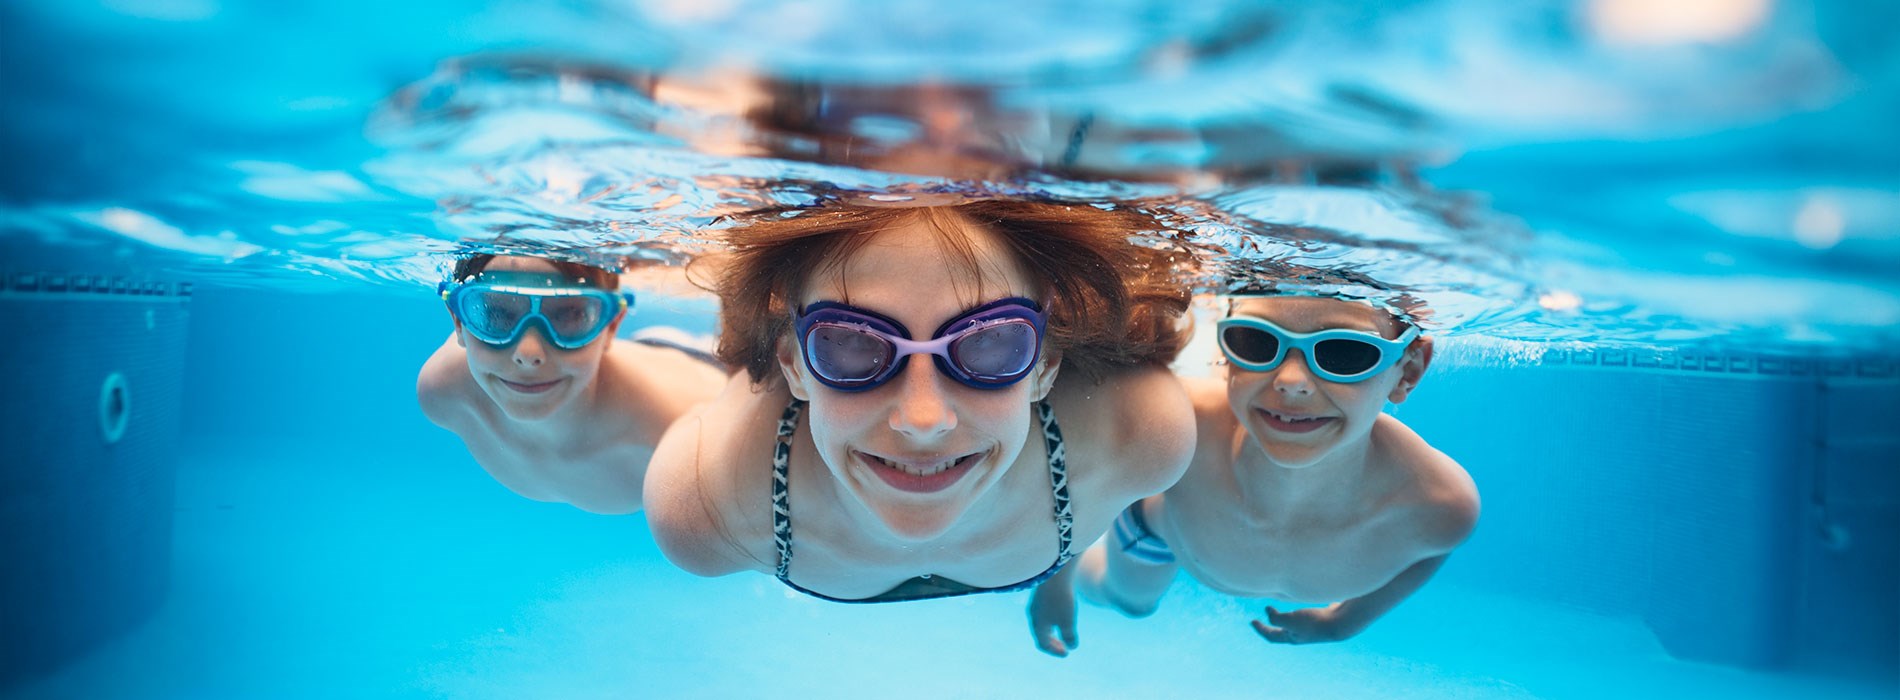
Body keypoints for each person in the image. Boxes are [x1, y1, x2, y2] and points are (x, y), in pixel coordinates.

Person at [643, 199, 1198, 603]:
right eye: (851, 345)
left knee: (1127, 598)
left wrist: (1061, 573)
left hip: (1059, 539)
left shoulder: (1141, 433)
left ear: (1045, 366)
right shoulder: (709, 505)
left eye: (990, 343)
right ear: (793, 364)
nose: (923, 420)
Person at [1028, 292, 1479, 655]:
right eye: (1256, 341)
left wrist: (1343, 622)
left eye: (1344, 352)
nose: (1290, 380)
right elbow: (1095, 479)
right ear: (1226, 350)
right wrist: (1054, 582)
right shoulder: (1180, 419)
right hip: (1153, 531)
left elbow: (1430, 549)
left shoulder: (1439, 503)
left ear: (1409, 369)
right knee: (1130, 602)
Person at [417, 254, 727, 514]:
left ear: (610, 328)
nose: (528, 353)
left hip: (712, 366)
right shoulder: (444, 390)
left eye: (569, 315)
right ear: (458, 322)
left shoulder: (681, 430)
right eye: (496, 315)